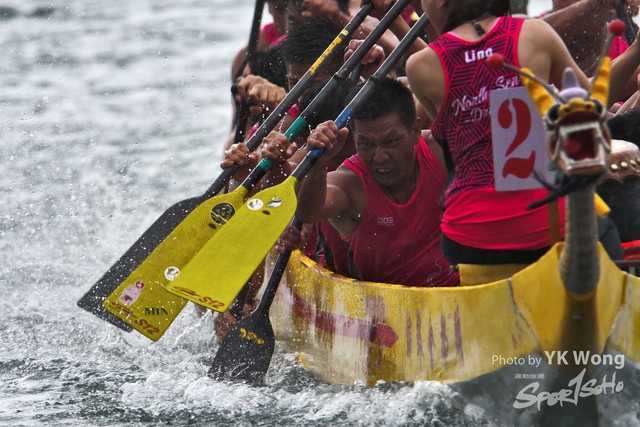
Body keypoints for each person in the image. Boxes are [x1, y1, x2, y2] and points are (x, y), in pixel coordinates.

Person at [399, 0, 631, 265]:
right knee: (609, 237)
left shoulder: (419, 66)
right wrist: (635, 51)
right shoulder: (535, 33)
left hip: (469, 235)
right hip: (550, 224)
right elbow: (592, 104)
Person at [263, 77, 459, 287]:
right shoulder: (350, 182)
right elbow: (309, 213)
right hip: (385, 312)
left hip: (458, 290)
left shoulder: (440, 149)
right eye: (366, 143)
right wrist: (319, 164)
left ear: (415, 131)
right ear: (355, 138)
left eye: (391, 142)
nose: (380, 157)